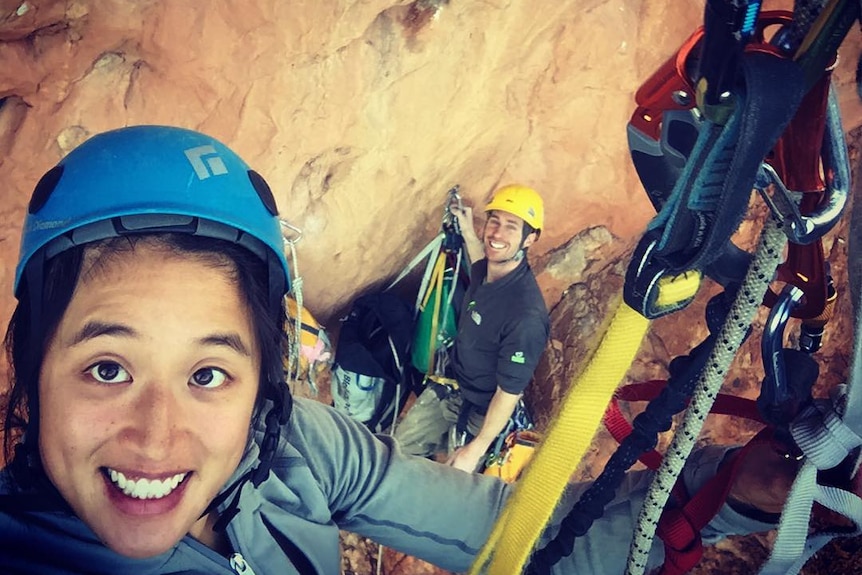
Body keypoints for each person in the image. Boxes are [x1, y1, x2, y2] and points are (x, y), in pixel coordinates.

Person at [0, 125, 800, 574]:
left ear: (260, 383)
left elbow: (523, 536)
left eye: (209, 373)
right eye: (108, 367)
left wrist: (729, 490)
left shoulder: (292, 448)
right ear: (31, 377)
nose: (157, 437)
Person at [394, 185, 550, 473]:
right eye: (494, 221)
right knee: (395, 456)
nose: (497, 234)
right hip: (453, 386)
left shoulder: (525, 316)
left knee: (455, 484)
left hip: (483, 410)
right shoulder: (488, 272)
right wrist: (466, 229)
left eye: (511, 227)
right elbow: (479, 259)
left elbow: (509, 392)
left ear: (530, 239)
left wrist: (476, 449)